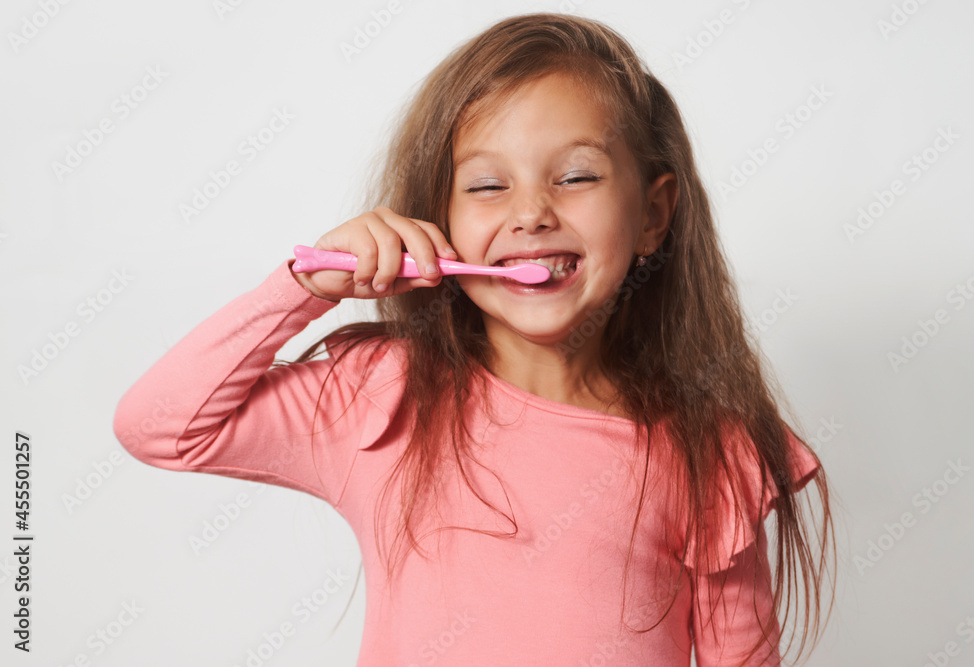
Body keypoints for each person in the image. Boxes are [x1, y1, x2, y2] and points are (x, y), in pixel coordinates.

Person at [114, 12, 836, 666]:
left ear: (654, 214)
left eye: (576, 175)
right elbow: (161, 427)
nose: (530, 213)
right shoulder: (384, 398)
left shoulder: (708, 452)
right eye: (488, 187)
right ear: (441, 224)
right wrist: (304, 287)